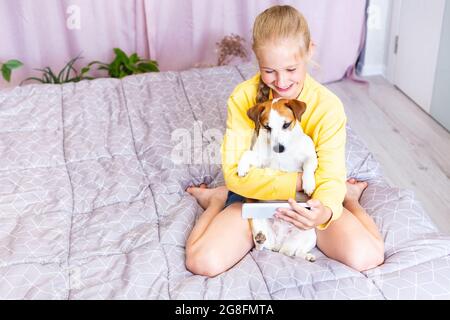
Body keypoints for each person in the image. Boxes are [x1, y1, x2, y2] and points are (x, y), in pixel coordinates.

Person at [185, 5, 384, 277]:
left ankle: (351, 200)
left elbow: (330, 173)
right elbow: (234, 175)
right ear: (257, 60)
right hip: (256, 200)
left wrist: (324, 211)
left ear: (309, 51)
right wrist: (297, 181)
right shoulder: (243, 98)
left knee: (368, 255)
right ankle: (216, 201)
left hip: (310, 201)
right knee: (201, 262)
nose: (280, 81)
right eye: (269, 70)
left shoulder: (328, 106)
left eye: (291, 68)